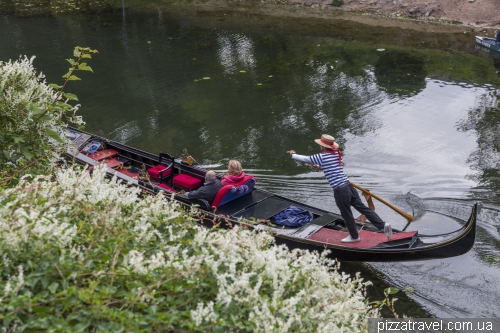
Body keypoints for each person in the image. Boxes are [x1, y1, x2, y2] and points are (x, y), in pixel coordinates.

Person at [287, 134, 392, 243]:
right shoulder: (336, 154)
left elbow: (305, 158)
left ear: (322, 146)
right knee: (363, 209)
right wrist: (319, 167)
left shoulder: (322, 156)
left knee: (346, 214)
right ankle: (383, 225)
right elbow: (334, 167)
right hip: (348, 186)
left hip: (340, 190)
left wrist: (292, 154)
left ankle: (354, 237)